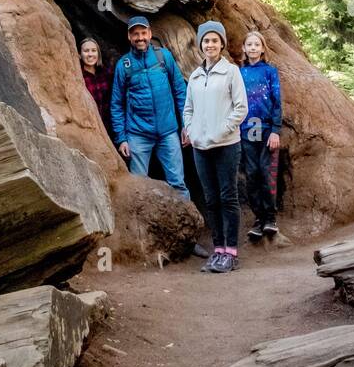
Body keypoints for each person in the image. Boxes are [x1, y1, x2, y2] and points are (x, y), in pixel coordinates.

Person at [182, 21, 248, 274]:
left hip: (226, 145)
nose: (210, 45)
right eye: (206, 41)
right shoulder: (196, 76)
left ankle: (231, 252)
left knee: (227, 197)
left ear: (221, 43)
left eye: (214, 40)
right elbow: (188, 109)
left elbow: (241, 108)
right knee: (210, 199)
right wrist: (193, 129)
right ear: (200, 45)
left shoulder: (231, 72)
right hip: (200, 147)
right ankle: (218, 249)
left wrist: (221, 130)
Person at [110, 17, 190, 199]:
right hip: (138, 135)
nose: (140, 38)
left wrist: (187, 124)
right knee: (138, 188)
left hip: (168, 132)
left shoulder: (164, 57)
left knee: (178, 183)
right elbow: (116, 104)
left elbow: (180, 91)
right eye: (135, 34)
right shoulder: (124, 65)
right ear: (129, 36)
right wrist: (121, 138)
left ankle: (190, 225)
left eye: (143, 33)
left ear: (150, 34)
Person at [239, 29, 282, 241]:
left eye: (257, 45)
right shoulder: (239, 73)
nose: (253, 48)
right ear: (244, 49)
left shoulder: (270, 72)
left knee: (267, 173)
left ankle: (270, 217)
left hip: (266, 130)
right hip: (246, 130)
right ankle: (258, 219)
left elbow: (276, 102)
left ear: (263, 48)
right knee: (252, 174)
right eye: (250, 45)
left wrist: (275, 130)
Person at [79, 37, 112, 134]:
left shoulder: (106, 73)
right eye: (86, 51)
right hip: (89, 128)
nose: (90, 54)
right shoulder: (78, 76)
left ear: (98, 54)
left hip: (108, 126)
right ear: (80, 54)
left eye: (93, 51)